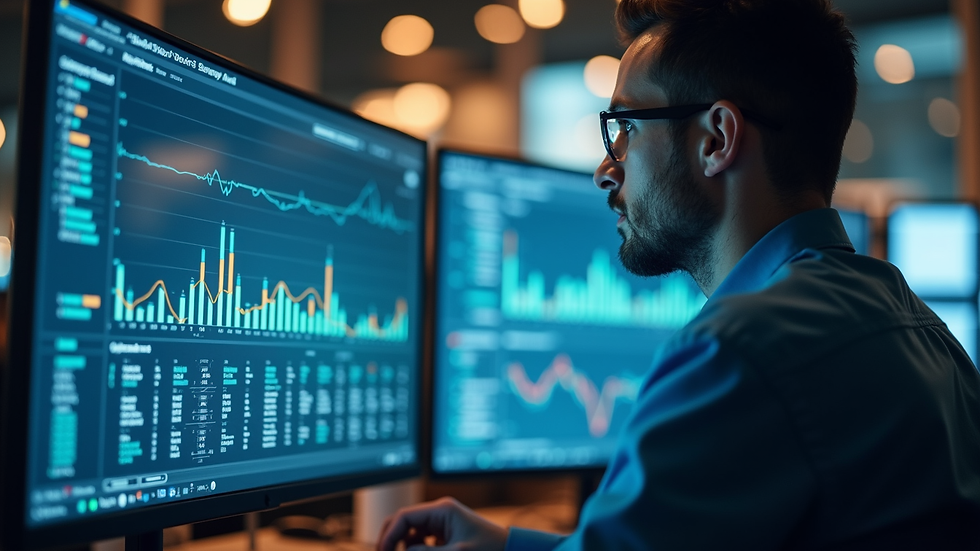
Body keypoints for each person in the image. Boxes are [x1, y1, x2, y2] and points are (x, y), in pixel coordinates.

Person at [378, 0, 980, 549]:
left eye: (625, 130)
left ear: (717, 139)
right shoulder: (928, 336)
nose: (605, 170)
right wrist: (510, 544)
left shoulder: (738, 349)